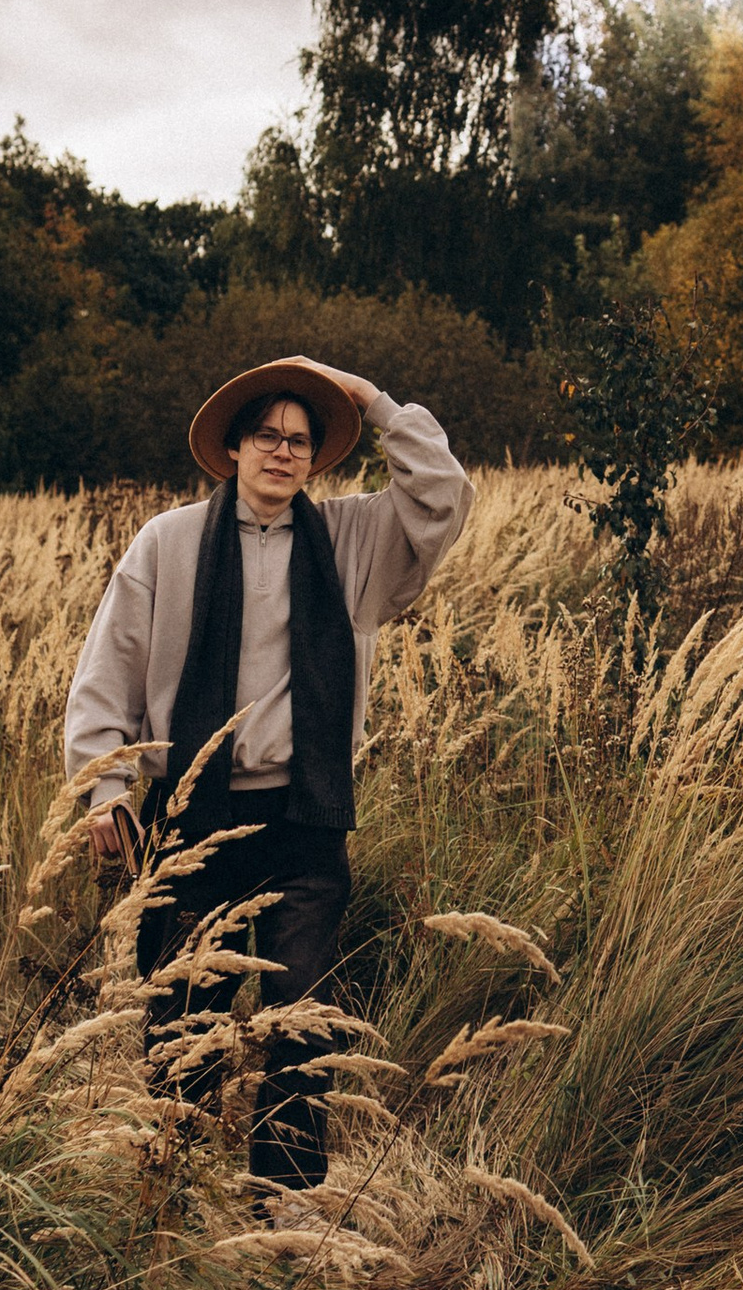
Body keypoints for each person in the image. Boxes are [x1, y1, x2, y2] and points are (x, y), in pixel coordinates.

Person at [62, 354, 472, 1178]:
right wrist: (106, 786)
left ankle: (282, 1204)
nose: (282, 452)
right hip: (194, 817)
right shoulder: (168, 543)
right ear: (235, 448)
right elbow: (109, 668)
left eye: (299, 440)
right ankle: (172, 1196)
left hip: (304, 816)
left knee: (301, 1019)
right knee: (184, 1020)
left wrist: (373, 403)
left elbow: (443, 497)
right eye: (265, 436)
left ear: (315, 458)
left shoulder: (350, 540)